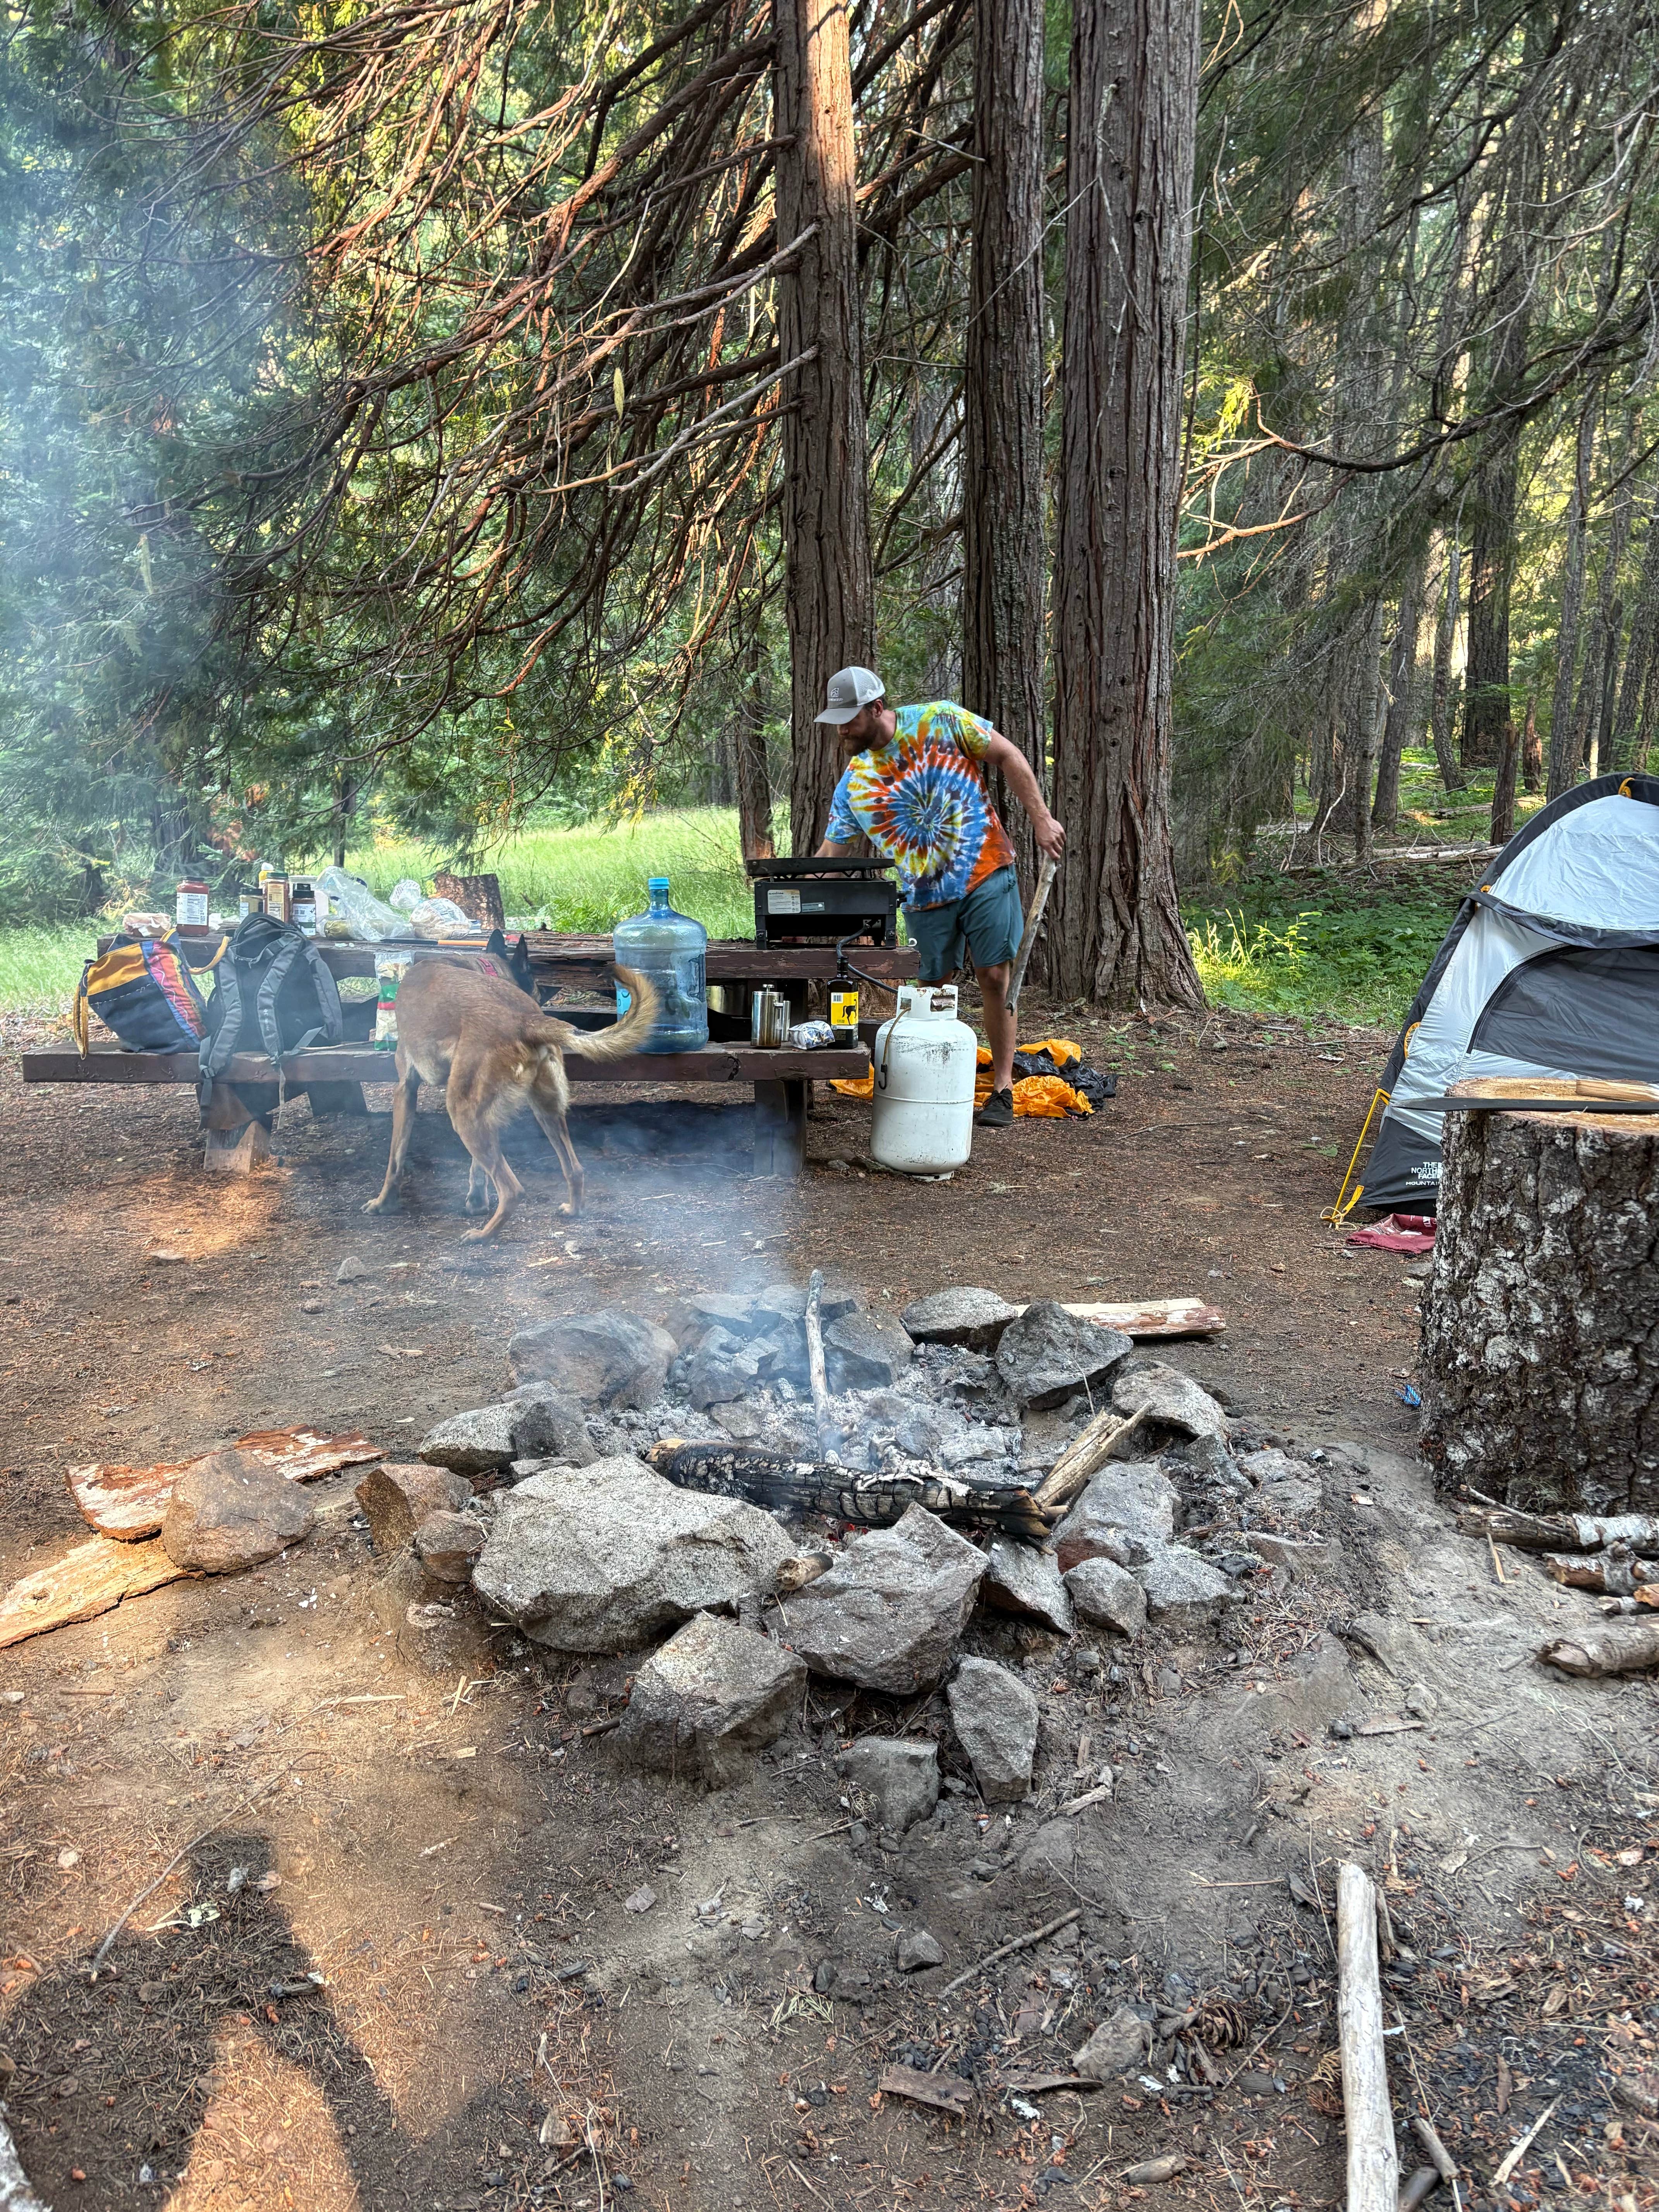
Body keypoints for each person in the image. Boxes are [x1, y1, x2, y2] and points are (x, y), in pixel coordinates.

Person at [813, 665, 1066, 1127]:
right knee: (931, 990)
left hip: (985, 870)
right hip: (924, 896)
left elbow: (1009, 755)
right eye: (836, 720)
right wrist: (794, 901)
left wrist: (1042, 819)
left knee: (994, 976)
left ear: (877, 708)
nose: (842, 729)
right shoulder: (855, 783)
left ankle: (1003, 1088)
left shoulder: (941, 720)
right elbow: (832, 854)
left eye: (849, 718)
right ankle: (928, 1085)